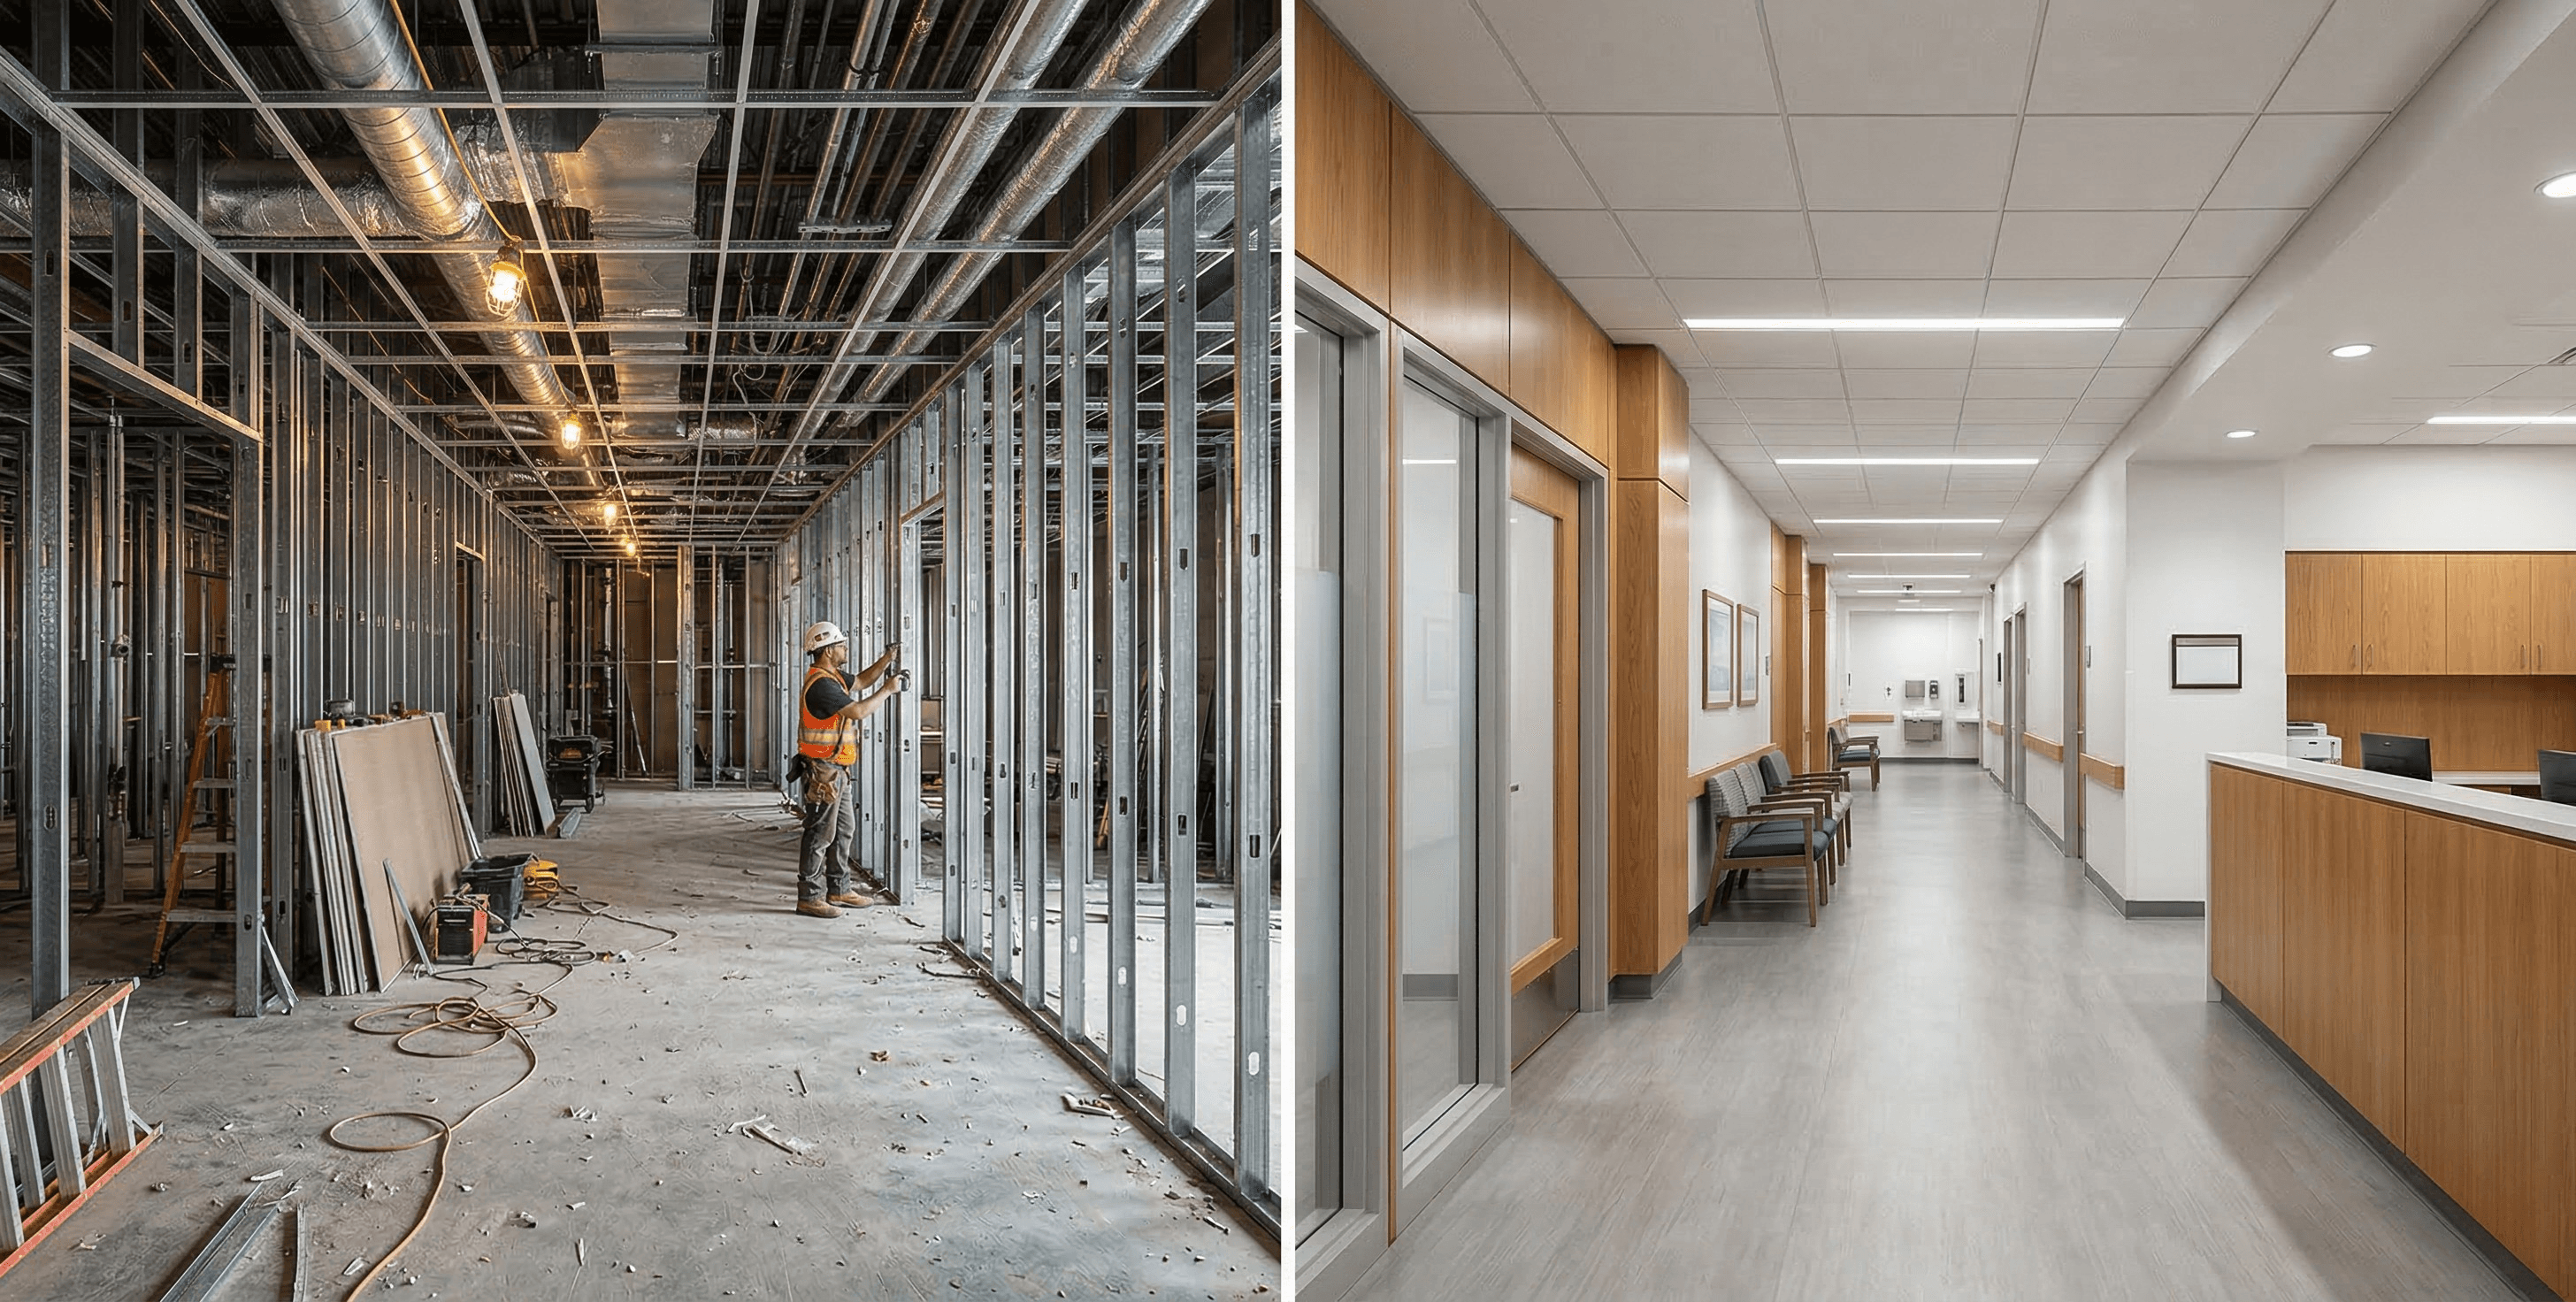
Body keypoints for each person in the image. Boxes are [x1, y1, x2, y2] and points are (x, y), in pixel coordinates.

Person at [794, 620, 906, 917]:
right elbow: (857, 711)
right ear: (828, 650)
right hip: (823, 770)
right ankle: (809, 896)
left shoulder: (833, 676)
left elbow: (860, 681)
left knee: (844, 830)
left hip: (837, 770)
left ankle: (839, 888)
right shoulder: (821, 685)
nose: (845, 648)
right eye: (841, 645)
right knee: (819, 834)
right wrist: (889, 690)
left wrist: (887, 659)